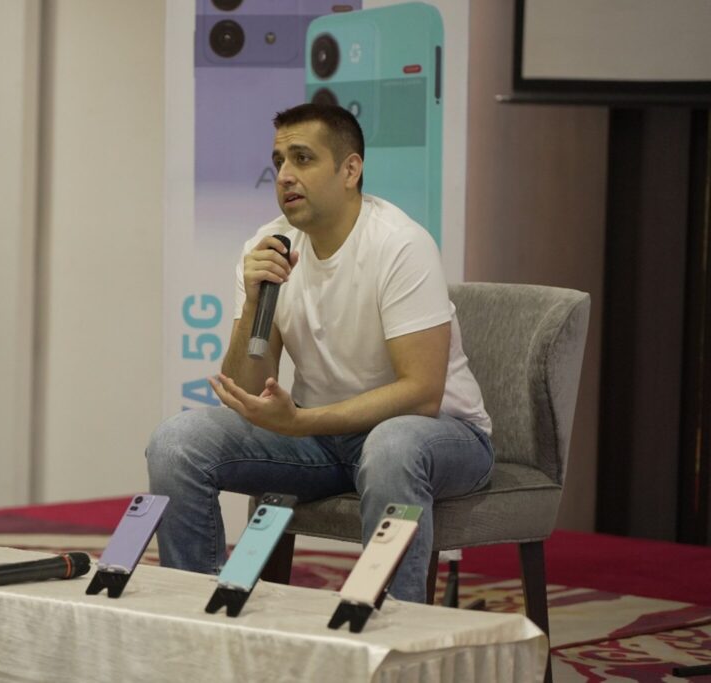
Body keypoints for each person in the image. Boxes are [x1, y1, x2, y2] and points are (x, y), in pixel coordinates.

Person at [146, 103, 493, 603]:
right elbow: (243, 390)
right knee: (176, 443)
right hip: (324, 442)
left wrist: (302, 421)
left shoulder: (399, 244)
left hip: (440, 435)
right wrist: (253, 301)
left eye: (303, 158)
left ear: (350, 170)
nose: (285, 175)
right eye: (279, 161)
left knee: (391, 446)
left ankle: (395, 631)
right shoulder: (269, 247)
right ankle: (199, 615)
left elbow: (421, 393)